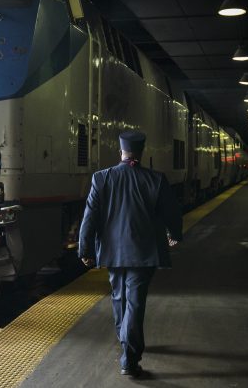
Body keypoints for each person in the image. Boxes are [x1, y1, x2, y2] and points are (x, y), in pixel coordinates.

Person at [78, 130, 182, 377]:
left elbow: (89, 217)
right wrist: (174, 233)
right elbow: (172, 212)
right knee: (135, 301)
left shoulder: (101, 178)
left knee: (119, 296)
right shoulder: (156, 179)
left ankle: (125, 338)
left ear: (120, 152)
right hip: (144, 252)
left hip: (113, 251)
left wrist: (85, 249)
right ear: (142, 152)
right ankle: (129, 358)